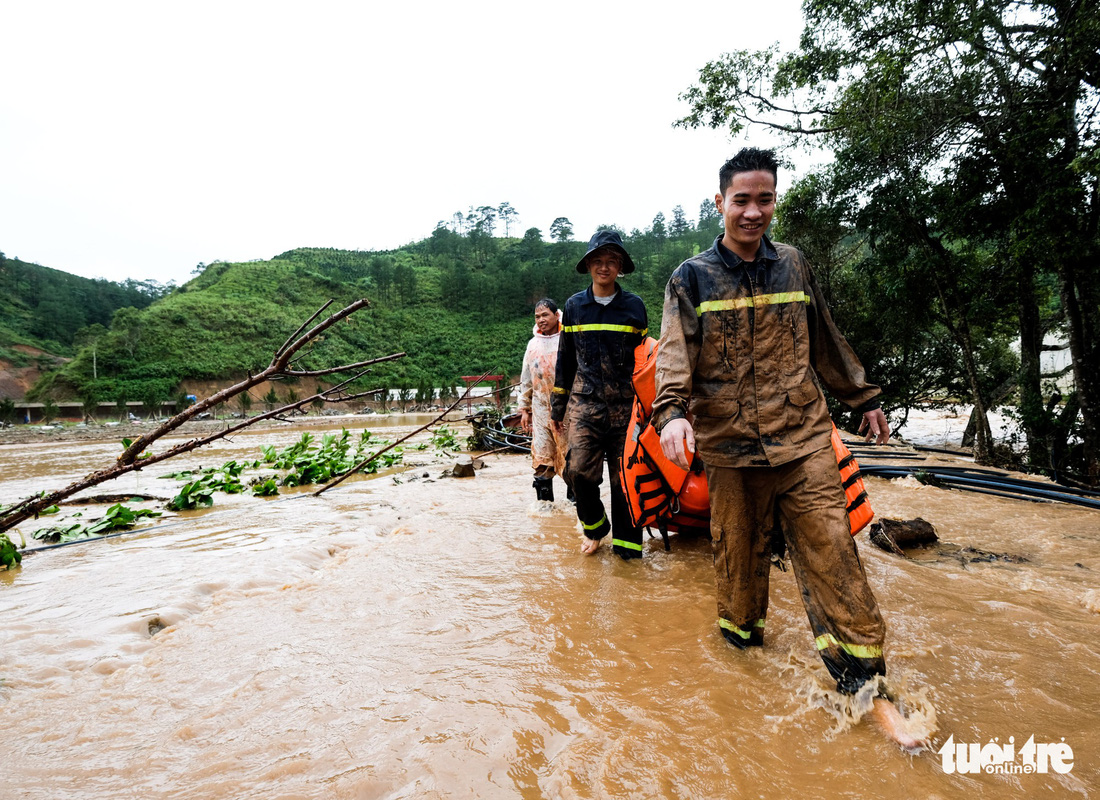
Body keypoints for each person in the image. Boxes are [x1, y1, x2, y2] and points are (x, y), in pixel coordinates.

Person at [652, 147, 920, 747]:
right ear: (719, 202)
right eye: (741, 200)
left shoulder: (793, 266)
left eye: (764, 199)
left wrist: (865, 396)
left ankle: (869, 690)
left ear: (775, 201)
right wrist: (671, 412)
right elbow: (673, 352)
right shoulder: (690, 278)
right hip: (729, 448)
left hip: (802, 440)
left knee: (834, 553)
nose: (753, 212)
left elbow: (824, 335)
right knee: (737, 566)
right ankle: (741, 667)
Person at [551, 230, 648, 559]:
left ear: (619, 267)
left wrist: (652, 407)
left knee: (625, 482)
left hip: (626, 407)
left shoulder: (634, 307)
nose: (604, 267)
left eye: (611, 262)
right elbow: (565, 359)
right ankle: (595, 527)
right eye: (598, 261)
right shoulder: (574, 307)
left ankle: (628, 553)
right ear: (589, 265)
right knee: (575, 471)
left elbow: (646, 361)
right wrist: (556, 409)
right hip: (585, 405)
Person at [518, 298, 569, 502]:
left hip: (568, 409)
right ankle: (545, 510)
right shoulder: (533, 345)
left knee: (572, 459)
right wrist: (524, 409)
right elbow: (526, 379)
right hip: (540, 409)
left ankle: (576, 509)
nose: (541, 320)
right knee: (542, 458)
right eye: (537, 316)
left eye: (545, 315)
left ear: (557, 316)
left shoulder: (568, 340)